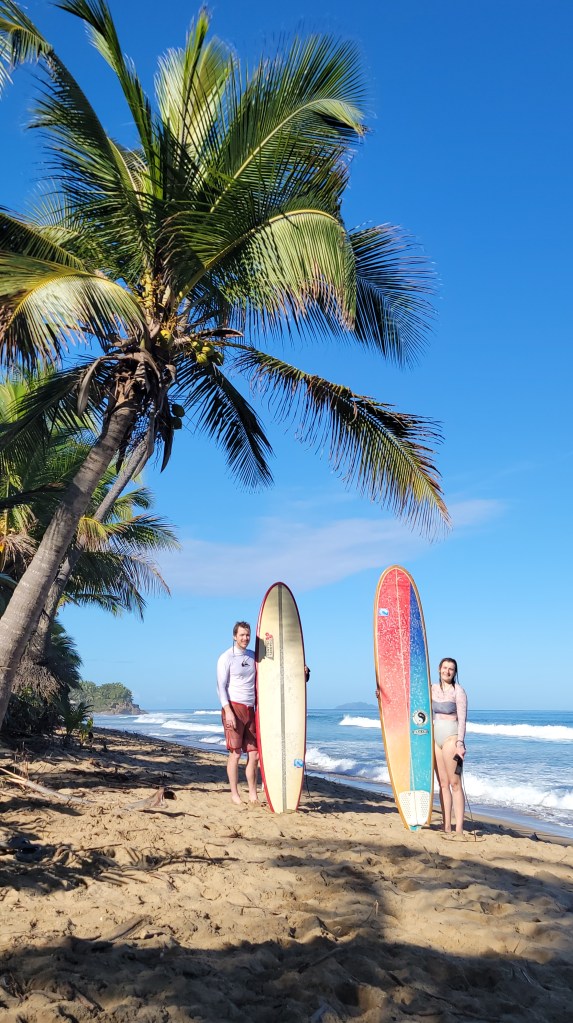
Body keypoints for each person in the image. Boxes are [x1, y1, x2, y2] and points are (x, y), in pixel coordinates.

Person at [217, 621, 258, 805]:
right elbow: (220, 687)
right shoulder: (226, 657)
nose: (245, 638)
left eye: (247, 635)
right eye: (242, 635)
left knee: (254, 754)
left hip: (251, 709)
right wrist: (228, 711)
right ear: (235, 636)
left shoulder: (253, 656)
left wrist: (302, 669)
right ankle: (235, 794)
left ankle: (253, 794)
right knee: (235, 753)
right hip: (233, 708)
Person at [432, 657, 467, 834]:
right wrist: (381, 695)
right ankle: (446, 826)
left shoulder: (458, 691)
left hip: (451, 739)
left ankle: (459, 828)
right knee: (443, 784)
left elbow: (462, 720)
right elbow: (410, 701)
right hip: (435, 738)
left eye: (451, 669)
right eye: (445, 668)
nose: (447, 671)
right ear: (439, 669)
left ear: (455, 672)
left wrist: (460, 743)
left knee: (455, 784)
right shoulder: (432, 689)